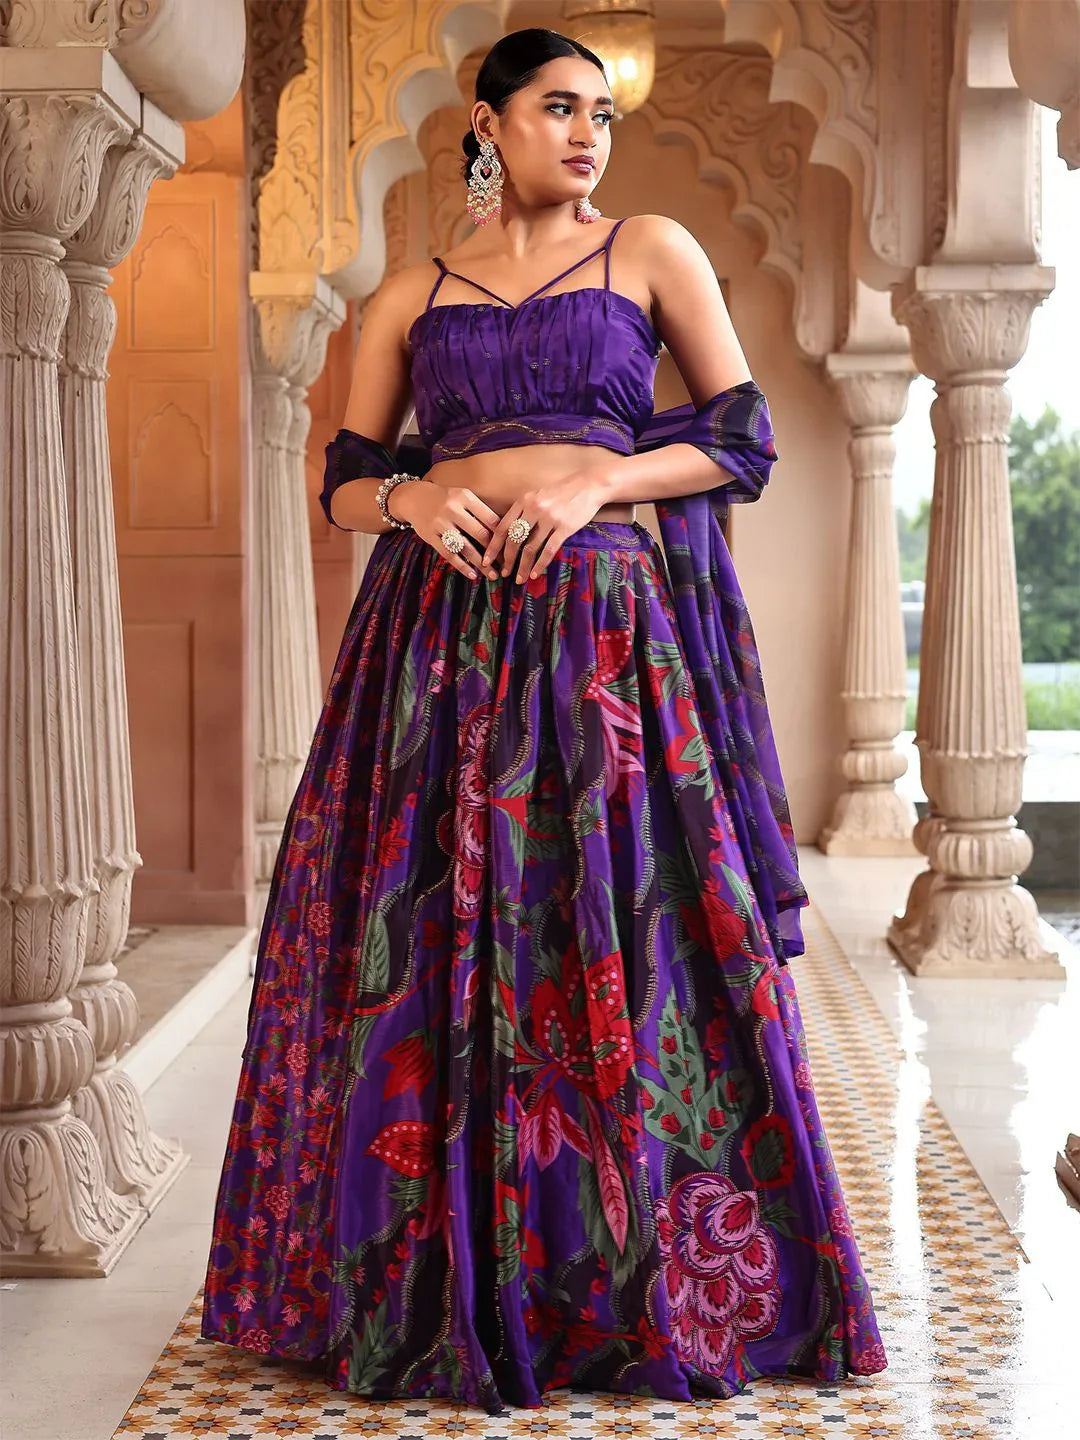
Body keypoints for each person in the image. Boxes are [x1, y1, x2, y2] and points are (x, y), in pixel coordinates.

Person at [201, 26, 886, 1415]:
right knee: (437, 946)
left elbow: (741, 438)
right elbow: (340, 474)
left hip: (607, 652)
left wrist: (600, 485)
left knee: (627, 940)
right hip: (439, 651)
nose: (586, 136)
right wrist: (413, 499)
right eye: (558, 110)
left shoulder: (650, 250)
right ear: (487, 123)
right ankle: (437, 1281)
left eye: (599, 117)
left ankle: (636, 1285)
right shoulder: (408, 293)